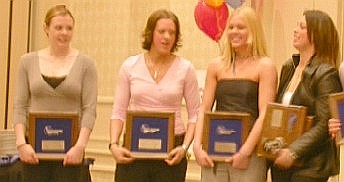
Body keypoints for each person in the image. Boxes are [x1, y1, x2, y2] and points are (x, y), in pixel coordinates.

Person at [109, 9, 200, 182]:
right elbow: (118, 111)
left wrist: (184, 148)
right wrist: (113, 144)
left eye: (172, 33)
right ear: (151, 33)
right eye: (162, 31)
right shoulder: (130, 66)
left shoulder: (186, 68)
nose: (167, 37)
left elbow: (195, 114)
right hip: (133, 150)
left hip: (172, 152)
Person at [12, 5, 97, 182]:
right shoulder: (27, 62)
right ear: (46, 29)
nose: (64, 33)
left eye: (69, 28)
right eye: (58, 27)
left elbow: (89, 110)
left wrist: (80, 147)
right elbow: (19, 107)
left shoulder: (86, 64)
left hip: (71, 153)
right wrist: (21, 144)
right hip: (33, 152)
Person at [193, 6, 277, 182]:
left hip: (250, 155)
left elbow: (265, 115)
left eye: (240, 27)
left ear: (253, 30)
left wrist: (244, 152)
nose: (234, 32)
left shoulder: (265, 66)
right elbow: (204, 109)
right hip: (215, 151)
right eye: (231, 27)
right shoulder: (216, 65)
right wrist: (197, 146)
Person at [271, 10, 342, 182]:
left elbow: (324, 124)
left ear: (316, 35)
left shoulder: (326, 73)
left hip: (311, 166)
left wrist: (294, 151)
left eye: (302, 27)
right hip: (282, 161)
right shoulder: (289, 67)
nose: (295, 30)